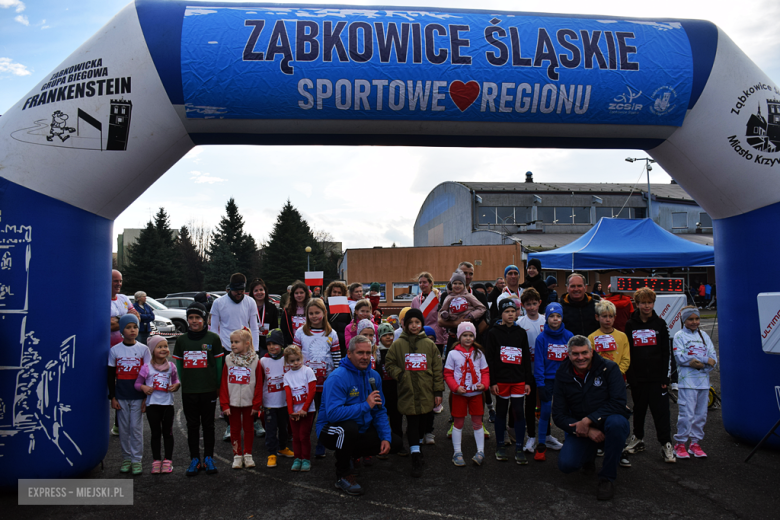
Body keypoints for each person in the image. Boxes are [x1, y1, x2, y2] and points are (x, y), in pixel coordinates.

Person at [317, 335, 403, 496]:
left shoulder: (374, 376)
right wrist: (365, 405)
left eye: (368, 353)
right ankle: (342, 474)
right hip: (330, 429)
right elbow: (333, 415)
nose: (365, 357)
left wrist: (385, 437)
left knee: (395, 442)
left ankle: (350, 453)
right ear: (349, 354)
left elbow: (380, 410)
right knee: (348, 429)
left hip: (359, 428)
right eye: (360, 353)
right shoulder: (337, 377)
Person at [553, 335, 631, 501]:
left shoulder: (609, 368)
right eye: (575, 354)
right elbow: (559, 415)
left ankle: (607, 478)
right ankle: (588, 457)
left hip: (607, 423)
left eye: (584, 353)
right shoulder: (562, 373)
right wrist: (587, 430)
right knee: (566, 465)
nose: (580, 358)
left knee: (617, 423)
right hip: (582, 429)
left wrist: (588, 420)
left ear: (592, 351)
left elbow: (619, 402)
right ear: (568, 354)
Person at [384, 308, 444, 478]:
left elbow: (437, 369)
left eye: (417, 322)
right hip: (407, 391)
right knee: (412, 421)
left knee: (423, 422)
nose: (414, 325)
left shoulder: (429, 345)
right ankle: (416, 455)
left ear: (422, 324)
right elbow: (389, 363)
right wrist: (400, 375)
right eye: (411, 322)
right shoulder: (398, 344)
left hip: (426, 391)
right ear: (405, 324)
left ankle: (417, 447)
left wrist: (438, 390)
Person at [172, 302, 226, 476]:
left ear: (205, 319)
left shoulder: (213, 339)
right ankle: (195, 459)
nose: (194, 321)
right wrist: (184, 383)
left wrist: (217, 386)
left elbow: (218, 365)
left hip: (209, 390)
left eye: (198, 318)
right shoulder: (181, 340)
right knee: (192, 425)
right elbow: (179, 366)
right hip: (189, 391)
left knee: (209, 425)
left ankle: (209, 458)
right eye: (191, 318)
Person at [623, 287, 675, 463]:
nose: (646, 306)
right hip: (638, 379)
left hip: (657, 379)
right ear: (637, 304)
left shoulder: (660, 324)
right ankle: (638, 438)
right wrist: (631, 378)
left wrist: (665, 378)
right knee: (639, 411)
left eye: (649, 302)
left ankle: (666, 444)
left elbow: (666, 353)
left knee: (661, 412)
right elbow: (627, 352)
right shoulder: (630, 325)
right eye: (643, 303)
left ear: (653, 303)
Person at [211, 273, 261, 441]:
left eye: (241, 291)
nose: (239, 294)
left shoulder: (250, 302)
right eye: (235, 291)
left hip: (248, 349)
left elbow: (254, 327)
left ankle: (255, 420)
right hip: (227, 348)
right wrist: (217, 349)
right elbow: (214, 328)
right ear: (229, 289)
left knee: (251, 385)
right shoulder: (218, 303)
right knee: (229, 387)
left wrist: (256, 349)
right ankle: (230, 424)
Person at [293, 298, 341, 458]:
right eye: (311, 313)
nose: (314, 316)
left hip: (325, 382)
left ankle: (321, 442)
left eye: (317, 313)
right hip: (306, 383)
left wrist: (337, 377)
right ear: (306, 315)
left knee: (323, 413)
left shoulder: (331, 333)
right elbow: (295, 355)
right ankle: (302, 443)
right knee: (306, 414)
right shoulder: (300, 332)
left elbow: (336, 358)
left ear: (324, 313)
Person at [486, 299, 532, 464]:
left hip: (519, 379)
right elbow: (490, 359)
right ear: (501, 314)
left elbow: (526, 357)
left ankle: (519, 447)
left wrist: (527, 381)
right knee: (501, 412)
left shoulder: (521, 332)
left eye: (513, 311)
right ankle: (500, 445)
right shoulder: (493, 333)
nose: (511, 314)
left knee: (519, 412)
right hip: (501, 380)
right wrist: (493, 382)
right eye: (507, 312)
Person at [108, 314, 151, 475]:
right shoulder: (114, 350)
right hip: (121, 396)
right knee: (124, 429)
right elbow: (110, 375)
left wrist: (147, 397)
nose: (132, 330)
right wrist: (112, 397)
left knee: (136, 428)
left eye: (134, 327)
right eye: (128, 327)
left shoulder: (143, 349)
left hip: (138, 396)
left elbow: (149, 375)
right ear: (121, 330)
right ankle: (126, 458)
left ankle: (136, 460)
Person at [672, 306, 717, 459]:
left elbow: (713, 358)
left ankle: (695, 443)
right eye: (690, 319)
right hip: (687, 383)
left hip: (703, 383)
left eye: (696, 319)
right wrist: (704, 361)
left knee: (701, 415)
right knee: (687, 414)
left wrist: (701, 363)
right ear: (684, 320)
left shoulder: (704, 335)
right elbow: (680, 357)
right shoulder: (679, 335)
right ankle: (680, 444)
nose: (694, 322)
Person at [444, 322, 490, 466]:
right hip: (459, 395)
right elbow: (448, 373)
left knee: (477, 423)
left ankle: (480, 451)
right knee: (458, 423)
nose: (468, 338)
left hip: (476, 394)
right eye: (465, 335)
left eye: (471, 335)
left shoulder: (479, 353)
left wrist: (484, 385)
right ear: (459, 337)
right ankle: (457, 452)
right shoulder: (452, 354)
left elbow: (485, 371)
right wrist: (455, 388)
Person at [533, 302, 572, 461]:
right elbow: (539, 362)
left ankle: (570, 443)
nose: (555, 319)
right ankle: (541, 444)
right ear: (547, 318)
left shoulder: (569, 336)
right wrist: (540, 384)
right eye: (551, 316)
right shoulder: (541, 338)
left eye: (558, 316)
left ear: (562, 318)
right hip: (548, 381)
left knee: (567, 412)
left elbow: (573, 360)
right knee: (546, 411)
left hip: (565, 381)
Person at [135, 335, 179, 474]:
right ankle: (156, 461)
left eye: (165, 346)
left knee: (168, 433)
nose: (164, 349)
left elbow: (176, 381)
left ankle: (167, 461)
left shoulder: (171, 366)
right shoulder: (146, 367)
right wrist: (144, 388)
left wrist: (176, 386)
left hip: (167, 405)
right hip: (152, 405)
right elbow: (137, 384)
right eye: (159, 347)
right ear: (153, 350)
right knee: (155, 434)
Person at [220, 329, 264, 470]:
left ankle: (248, 455)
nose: (233, 345)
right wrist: (224, 404)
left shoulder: (256, 361)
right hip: (232, 403)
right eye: (232, 342)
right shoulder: (228, 360)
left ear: (247, 343)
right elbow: (224, 383)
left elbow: (259, 383)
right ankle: (237, 456)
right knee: (234, 429)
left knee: (249, 429)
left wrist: (256, 404)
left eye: (236, 342)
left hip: (249, 403)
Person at [515, 287, 546, 453]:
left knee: (546, 403)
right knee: (530, 403)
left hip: (544, 370)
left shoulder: (547, 320)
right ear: (523, 305)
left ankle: (546, 435)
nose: (532, 307)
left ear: (540, 303)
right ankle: (531, 435)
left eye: (535, 303)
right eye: (528, 304)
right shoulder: (520, 323)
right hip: (528, 371)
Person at [260, 329, 295, 468]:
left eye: (275, 343)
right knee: (270, 429)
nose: (272, 347)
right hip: (269, 402)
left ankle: (282, 448)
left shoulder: (287, 359)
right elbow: (259, 381)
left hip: (284, 402)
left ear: (281, 345)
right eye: (269, 344)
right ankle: (272, 453)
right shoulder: (263, 361)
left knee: (284, 427)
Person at [284, 345, 317, 472]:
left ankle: (306, 459)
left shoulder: (308, 371)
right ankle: (297, 458)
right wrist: (291, 412)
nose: (296, 363)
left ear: (302, 358)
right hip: (294, 413)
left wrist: (304, 409)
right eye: (292, 361)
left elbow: (312, 391)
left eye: (298, 359)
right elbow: (288, 395)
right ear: (287, 361)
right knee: (296, 436)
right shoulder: (287, 376)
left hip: (307, 411)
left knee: (304, 435)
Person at [374, 323, 404, 456]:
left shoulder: (397, 349)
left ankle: (398, 444)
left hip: (395, 388)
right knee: (381, 418)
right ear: (379, 337)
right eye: (385, 335)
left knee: (397, 417)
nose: (388, 337)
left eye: (391, 334)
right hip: (382, 389)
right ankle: (381, 445)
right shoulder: (376, 352)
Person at [588, 300, 631, 376]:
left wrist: (618, 372)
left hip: (617, 375)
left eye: (610, 316)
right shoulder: (591, 337)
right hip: (598, 376)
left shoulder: (622, 336)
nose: (608, 320)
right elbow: (590, 359)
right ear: (597, 317)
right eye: (604, 316)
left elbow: (626, 359)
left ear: (615, 318)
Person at [439, 270, 486, 337]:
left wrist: (472, 315)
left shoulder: (469, 296)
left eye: (460, 283)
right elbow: (443, 310)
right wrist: (445, 315)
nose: (457, 286)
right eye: (455, 283)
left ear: (464, 285)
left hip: (468, 325)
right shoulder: (448, 297)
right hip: (453, 327)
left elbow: (482, 308)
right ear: (451, 285)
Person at [410, 271, 446, 354]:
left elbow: (444, 319)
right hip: (420, 337)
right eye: (420, 282)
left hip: (436, 338)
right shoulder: (415, 300)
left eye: (424, 282)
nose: (422, 285)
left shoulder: (439, 298)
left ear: (431, 283)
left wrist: (445, 338)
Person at [560, 273, 599, 337]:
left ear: (585, 287)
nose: (576, 289)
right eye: (572, 286)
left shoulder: (597, 306)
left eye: (579, 286)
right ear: (567, 288)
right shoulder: (560, 308)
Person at [248, 278, 279, 356]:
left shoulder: (272, 308)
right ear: (252, 293)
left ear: (265, 291)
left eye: (261, 290)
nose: (259, 292)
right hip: (251, 343)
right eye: (256, 290)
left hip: (267, 344)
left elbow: (275, 328)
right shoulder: (248, 307)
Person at [325, 281, 351, 356]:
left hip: (342, 341)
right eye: (334, 292)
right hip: (328, 340)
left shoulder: (347, 308)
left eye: (339, 292)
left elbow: (349, 324)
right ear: (330, 292)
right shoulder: (324, 307)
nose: (336, 294)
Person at [282, 280, 310, 345]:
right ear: (293, 295)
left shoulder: (311, 309)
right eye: (296, 293)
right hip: (292, 345)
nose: (299, 295)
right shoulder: (287, 311)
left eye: (301, 292)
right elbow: (284, 331)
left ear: (306, 294)